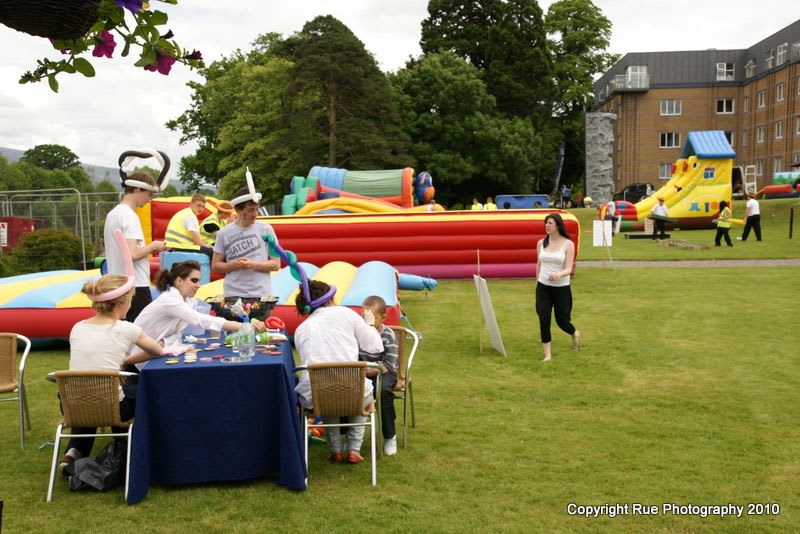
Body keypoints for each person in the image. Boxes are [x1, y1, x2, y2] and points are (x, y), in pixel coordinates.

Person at [58, 274, 165, 468]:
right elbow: (157, 351)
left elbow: (92, 362)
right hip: (114, 407)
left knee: (91, 398)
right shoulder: (127, 328)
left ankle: (75, 449)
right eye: (130, 300)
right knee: (142, 386)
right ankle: (123, 444)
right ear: (122, 303)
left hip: (72, 406)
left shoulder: (78, 327)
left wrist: (119, 364)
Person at [294, 280, 384, 464]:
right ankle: (354, 449)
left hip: (318, 395)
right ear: (329, 298)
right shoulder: (346, 313)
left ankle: (335, 449)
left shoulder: (301, 329)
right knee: (358, 395)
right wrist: (369, 324)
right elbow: (375, 346)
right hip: (353, 392)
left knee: (328, 392)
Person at [134, 260, 266, 353]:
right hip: (138, 357)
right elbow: (201, 320)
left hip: (153, 352)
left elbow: (202, 321)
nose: (199, 285)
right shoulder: (170, 300)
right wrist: (245, 326)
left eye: (199, 280)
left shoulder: (187, 299)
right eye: (194, 280)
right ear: (179, 281)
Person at [211, 184, 281, 320]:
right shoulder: (224, 233)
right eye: (250, 210)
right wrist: (233, 265)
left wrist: (252, 264)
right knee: (234, 333)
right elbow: (215, 266)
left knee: (258, 333)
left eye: (256, 209)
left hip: (261, 296)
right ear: (238, 209)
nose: (255, 214)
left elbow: (276, 264)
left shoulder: (266, 229)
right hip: (233, 295)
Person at [104, 171, 167, 322]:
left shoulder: (113, 214)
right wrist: (154, 246)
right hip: (135, 286)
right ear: (138, 189)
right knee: (141, 332)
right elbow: (132, 254)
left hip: (117, 283)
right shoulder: (129, 216)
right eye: (149, 194)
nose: (149, 200)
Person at [359, 295, 400, 456]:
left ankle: (390, 436)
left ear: (383, 318)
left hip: (385, 373)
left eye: (373, 318)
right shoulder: (358, 333)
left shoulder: (388, 334)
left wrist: (372, 369)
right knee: (348, 387)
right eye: (365, 317)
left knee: (383, 391)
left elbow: (389, 364)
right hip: (362, 371)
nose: (367, 322)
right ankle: (348, 434)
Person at [535, 213, 579, 362]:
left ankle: (574, 333)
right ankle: (547, 355)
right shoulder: (541, 243)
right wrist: (538, 281)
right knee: (544, 319)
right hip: (543, 288)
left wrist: (558, 275)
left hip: (561, 288)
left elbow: (569, 268)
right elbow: (539, 264)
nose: (547, 225)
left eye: (550, 223)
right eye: (546, 223)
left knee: (562, 322)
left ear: (558, 225)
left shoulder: (568, 244)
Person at [164, 193, 214, 258]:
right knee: (213, 252)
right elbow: (197, 242)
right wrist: (208, 246)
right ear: (191, 204)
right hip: (179, 247)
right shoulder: (190, 216)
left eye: (203, 207)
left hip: (170, 246)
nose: (201, 209)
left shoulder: (184, 212)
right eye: (199, 205)